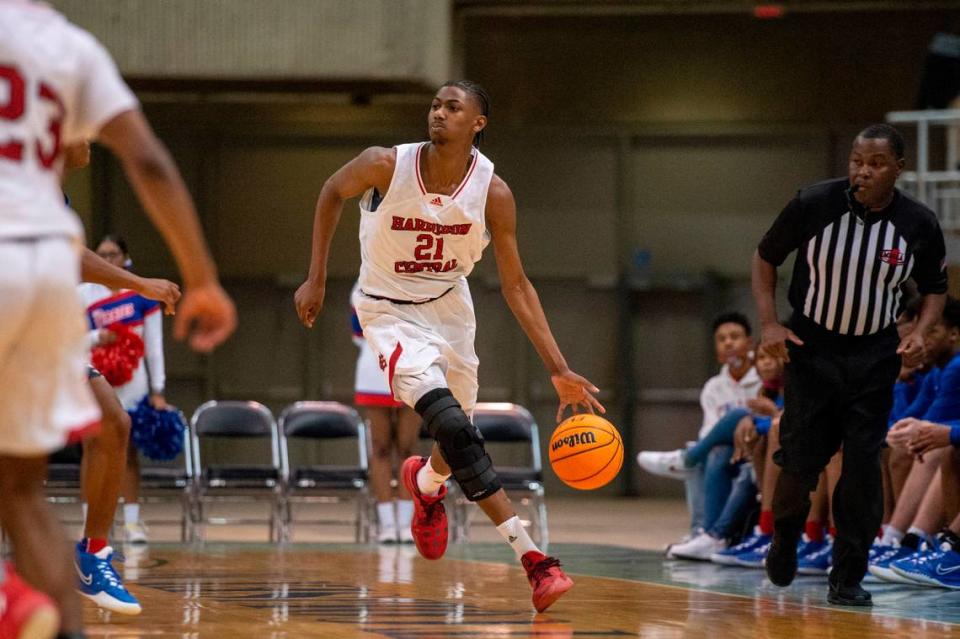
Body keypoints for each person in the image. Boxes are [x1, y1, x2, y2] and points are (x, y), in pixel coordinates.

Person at [295, 80, 603, 613]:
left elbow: (517, 286)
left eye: (452, 107)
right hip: (386, 309)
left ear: (477, 123)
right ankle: (534, 560)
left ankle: (428, 482)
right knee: (456, 426)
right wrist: (316, 279)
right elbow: (329, 191)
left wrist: (558, 367)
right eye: (435, 105)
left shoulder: (494, 192)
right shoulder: (385, 164)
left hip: (450, 308)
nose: (438, 113)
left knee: (455, 438)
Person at [0, 2, 236, 637]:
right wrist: (202, 277)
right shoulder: (65, 46)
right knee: (27, 489)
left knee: (109, 424)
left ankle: (84, 559)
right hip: (39, 281)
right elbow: (151, 162)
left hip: (33, 272)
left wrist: (141, 284)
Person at [752, 123, 947, 606]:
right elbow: (764, 257)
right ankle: (785, 537)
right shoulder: (812, 204)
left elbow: (936, 290)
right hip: (813, 348)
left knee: (861, 468)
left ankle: (848, 576)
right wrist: (770, 323)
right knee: (799, 462)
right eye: (857, 161)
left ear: (898, 169)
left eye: (876, 163)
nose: (863, 170)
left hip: (874, 355)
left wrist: (920, 333)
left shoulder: (918, 223)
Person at [636, 312, 761, 546]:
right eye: (721, 339)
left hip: (758, 450)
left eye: (735, 336)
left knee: (737, 417)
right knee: (712, 453)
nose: (728, 343)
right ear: (716, 349)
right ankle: (703, 534)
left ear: (750, 343)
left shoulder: (764, 376)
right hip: (727, 454)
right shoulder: (714, 387)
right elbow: (710, 432)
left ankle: (687, 460)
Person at [78, 234, 168, 545]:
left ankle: (130, 521)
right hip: (93, 379)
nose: (107, 260)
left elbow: (154, 346)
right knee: (90, 449)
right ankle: (89, 521)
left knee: (126, 450)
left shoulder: (141, 293)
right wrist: (94, 339)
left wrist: (158, 388)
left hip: (134, 382)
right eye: (100, 255)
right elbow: (67, 338)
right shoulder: (82, 294)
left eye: (113, 254)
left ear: (125, 257)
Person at [350, 281, 421, 544]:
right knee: (379, 447)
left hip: (413, 367)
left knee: (407, 448)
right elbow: (358, 335)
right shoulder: (361, 286)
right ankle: (387, 525)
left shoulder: (417, 280)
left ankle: (405, 524)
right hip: (374, 371)